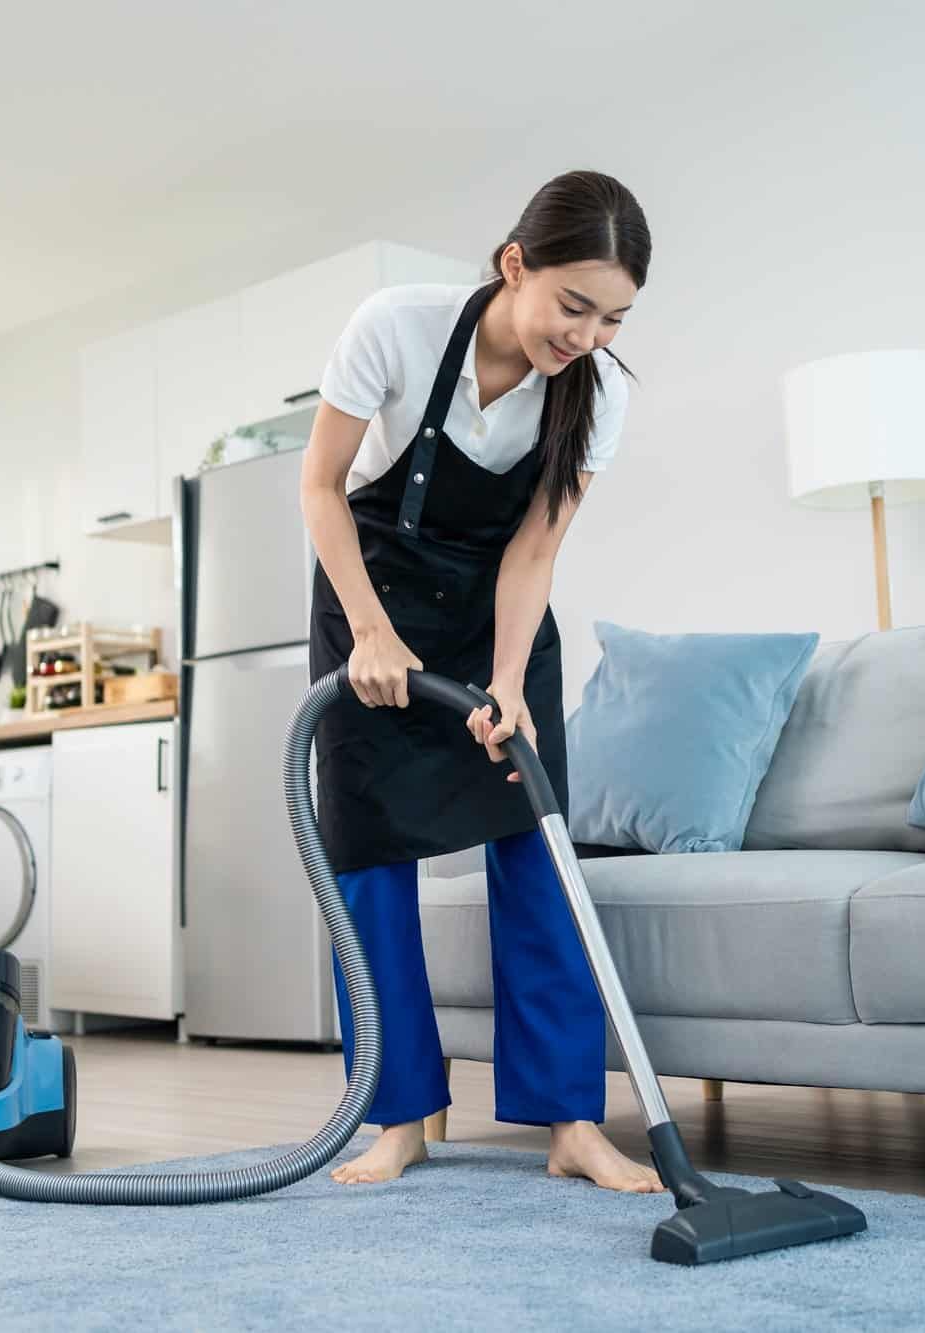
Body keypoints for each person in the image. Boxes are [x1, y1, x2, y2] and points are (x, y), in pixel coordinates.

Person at [298, 170, 658, 1191]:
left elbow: (533, 552)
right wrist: (368, 631)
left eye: (613, 316)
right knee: (367, 852)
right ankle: (399, 1114)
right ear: (514, 266)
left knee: (534, 844)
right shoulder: (395, 330)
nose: (586, 334)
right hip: (371, 594)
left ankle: (570, 1123)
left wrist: (506, 680)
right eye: (572, 305)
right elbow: (320, 486)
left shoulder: (600, 395)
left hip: (497, 614)